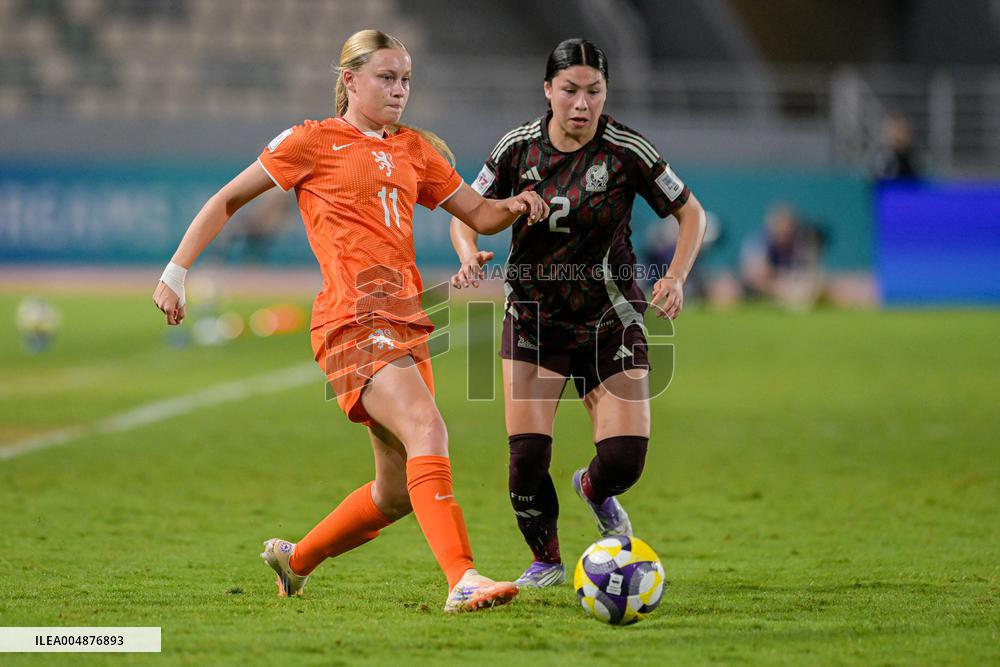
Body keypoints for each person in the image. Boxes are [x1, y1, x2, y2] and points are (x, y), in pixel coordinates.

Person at [152, 29, 549, 613]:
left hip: (409, 321)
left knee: (395, 495)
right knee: (428, 430)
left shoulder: (414, 149)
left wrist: (517, 206)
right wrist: (176, 271)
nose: (399, 91)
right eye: (386, 78)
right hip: (351, 319)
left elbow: (480, 215)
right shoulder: (312, 141)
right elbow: (228, 200)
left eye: (406, 79)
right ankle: (462, 579)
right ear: (350, 81)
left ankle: (296, 560)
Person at [449, 39, 706, 587]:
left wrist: (677, 278)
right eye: (569, 90)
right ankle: (546, 561)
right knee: (525, 465)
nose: (581, 104)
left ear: (605, 92)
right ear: (548, 91)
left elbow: (691, 213)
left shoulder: (627, 150)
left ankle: (592, 488)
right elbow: (464, 212)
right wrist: (469, 254)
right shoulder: (518, 149)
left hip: (610, 320)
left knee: (624, 461)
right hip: (533, 321)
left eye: (594, 91)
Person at [739, 202, 825, 308]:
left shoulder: (799, 244)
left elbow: (811, 274)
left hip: (791, 287)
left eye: (787, 225)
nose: (783, 230)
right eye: (779, 224)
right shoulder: (760, 242)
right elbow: (756, 276)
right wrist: (782, 287)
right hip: (754, 290)